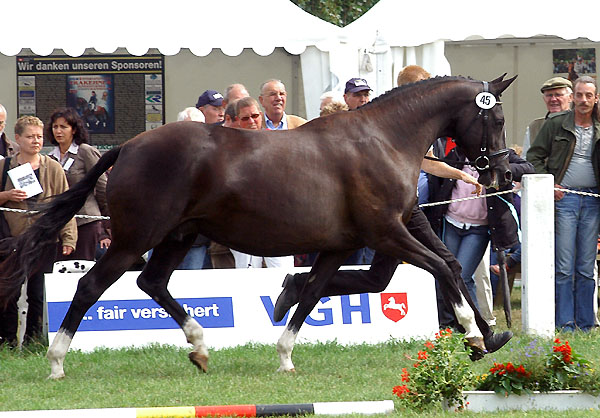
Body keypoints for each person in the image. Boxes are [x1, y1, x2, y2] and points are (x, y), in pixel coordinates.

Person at [273, 153, 513, 355]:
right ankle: (481, 336)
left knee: (377, 280)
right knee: (449, 265)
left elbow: (425, 162)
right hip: (398, 211)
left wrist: (461, 175)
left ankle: (300, 284)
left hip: (405, 209)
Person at [427, 144, 534, 327]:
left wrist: (498, 169)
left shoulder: (501, 155)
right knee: (444, 274)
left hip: (479, 228)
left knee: (463, 276)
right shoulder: (458, 152)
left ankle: (477, 327)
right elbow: (437, 181)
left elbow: (528, 169)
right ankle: (446, 326)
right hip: (451, 222)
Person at [527, 75, 600, 332]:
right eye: (579, 95)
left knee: (586, 266)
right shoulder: (557, 124)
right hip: (565, 198)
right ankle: (565, 323)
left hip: (593, 200)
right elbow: (533, 156)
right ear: (574, 96)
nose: (583, 100)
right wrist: (550, 183)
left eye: (588, 96)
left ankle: (586, 324)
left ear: (595, 98)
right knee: (564, 266)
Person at [0, 116, 77, 346]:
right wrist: (6, 196)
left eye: (40, 136)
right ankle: (8, 341)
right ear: (18, 138)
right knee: (10, 292)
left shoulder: (53, 167)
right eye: (30, 136)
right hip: (12, 240)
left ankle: (34, 340)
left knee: (38, 293)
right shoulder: (4, 166)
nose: (36, 141)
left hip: (44, 240)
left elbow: (66, 204)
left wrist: (69, 237)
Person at [229, 97, 294, 269]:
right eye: (245, 118)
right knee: (246, 273)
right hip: (244, 221)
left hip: (277, 220)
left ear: (261, 115)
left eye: (255, 116)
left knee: (283, 271)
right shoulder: (230, 148)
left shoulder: (278, 142)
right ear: (237, 120)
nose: (251, 121)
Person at [47, 107, 109, 262]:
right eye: (55, 127)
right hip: (59, 223)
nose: (59, 131)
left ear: (74, 130)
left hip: (85, 221)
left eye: (64, 127)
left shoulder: (85, 152)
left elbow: (102, 188)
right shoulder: (48, 158)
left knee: (80, 267)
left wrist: (106, 225)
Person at [522, 77, 572, 156]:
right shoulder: (535, 127)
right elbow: (526, 159)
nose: (553, 99)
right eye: (549, 95)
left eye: (558, 95)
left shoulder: (579, 124)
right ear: (544, 99)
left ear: (570, 97)